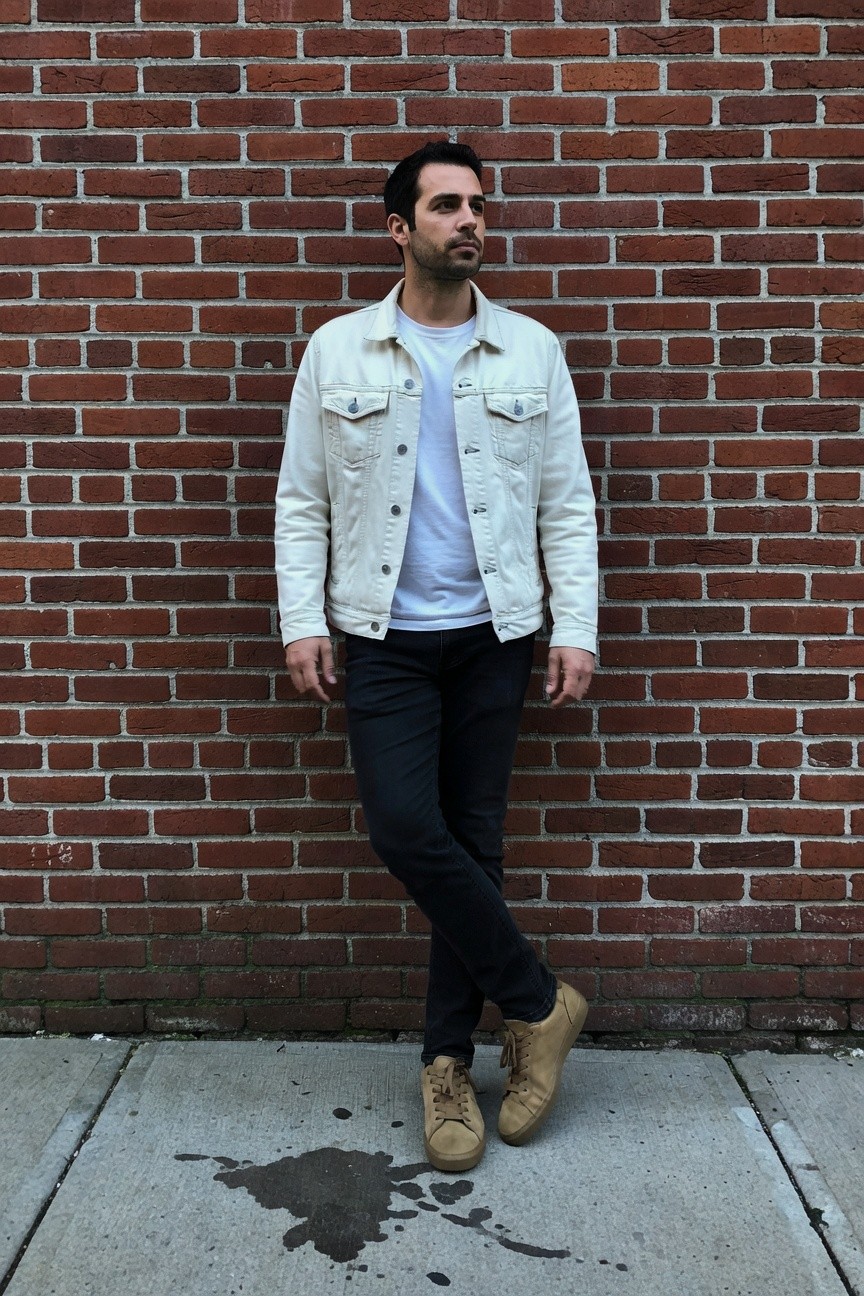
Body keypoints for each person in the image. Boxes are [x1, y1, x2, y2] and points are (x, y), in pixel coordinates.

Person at [274, 141, 598, 1173]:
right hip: (384, 640)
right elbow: (301, 500)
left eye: (479, 204)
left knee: (473, 842)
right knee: (408, 828)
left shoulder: (532, 350)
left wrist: (574, 625)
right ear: (398, 228)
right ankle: (541, 1004)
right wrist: (301, 619)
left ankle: (448, 1065)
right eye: (447, 205)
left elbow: (567, 503)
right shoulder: (338, 350)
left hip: (494, 637)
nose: (472, 220)